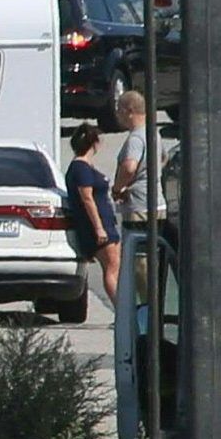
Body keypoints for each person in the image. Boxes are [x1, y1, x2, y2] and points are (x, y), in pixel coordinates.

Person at [64, 123, 120, 307]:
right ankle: (121, 310)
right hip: (98, 226)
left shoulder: (86, 167)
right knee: (111, 269)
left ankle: (124, 309)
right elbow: (87, 198)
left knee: (116, 267)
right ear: (93, 143)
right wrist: (99, 228)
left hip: (107, 223)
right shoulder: (80, 168)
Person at [110, 90, 152, 226]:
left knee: (135, 245)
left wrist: (117, 189)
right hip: (155, 203)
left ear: (129, 111)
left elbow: (129, 168)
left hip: (138, 207)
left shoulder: (135, 139)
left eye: (119, 110)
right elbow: (164, 158)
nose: (117, 115)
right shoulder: (153, 133)